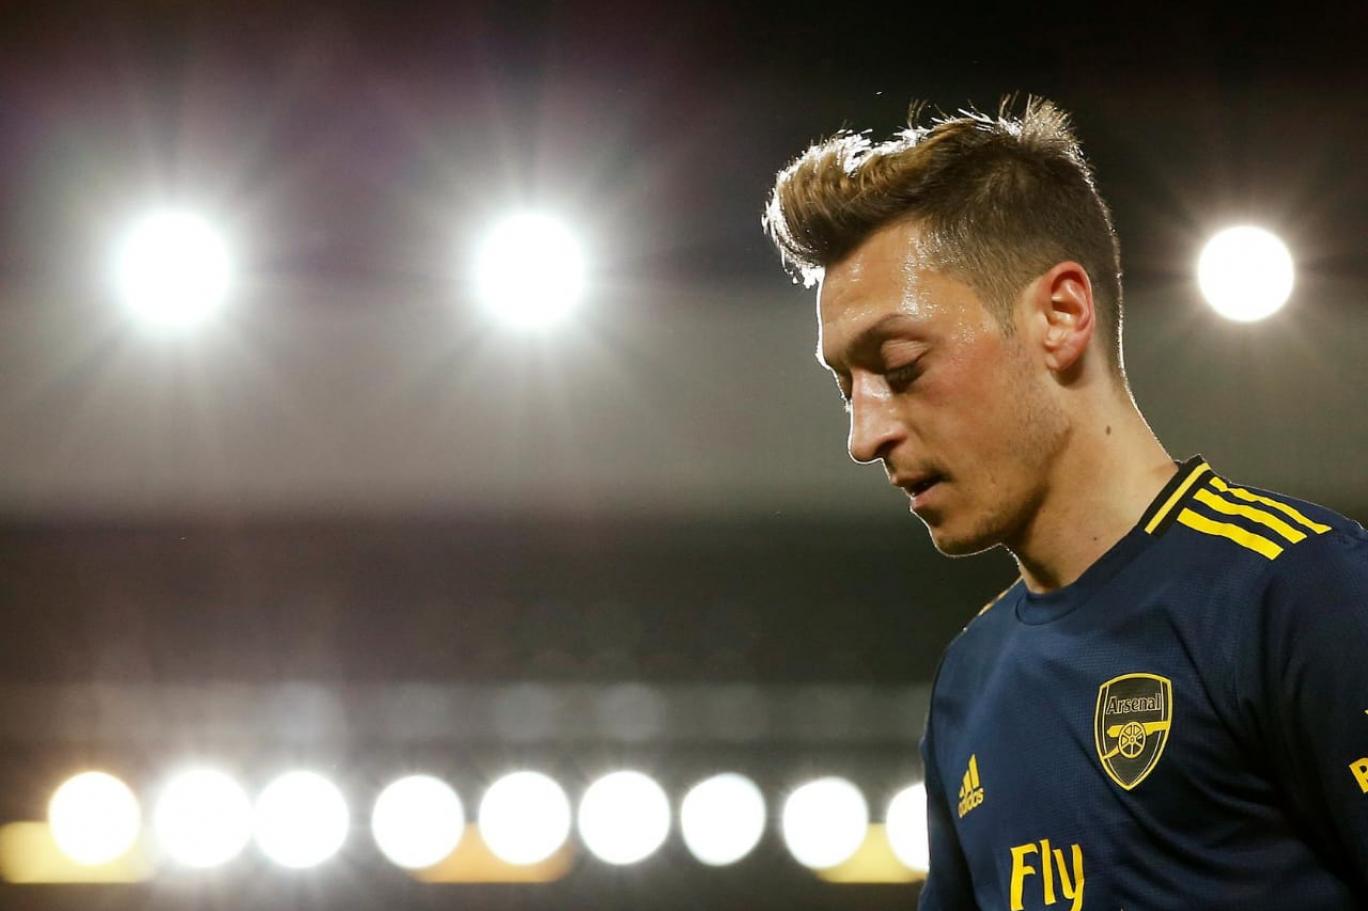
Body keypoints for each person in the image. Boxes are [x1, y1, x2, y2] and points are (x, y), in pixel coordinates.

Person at [762, 97, 1368, 909]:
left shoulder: (1301, 592)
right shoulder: (970, 680)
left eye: (901, 367)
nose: (864, 436)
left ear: (1061, 315)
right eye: (848, 389)